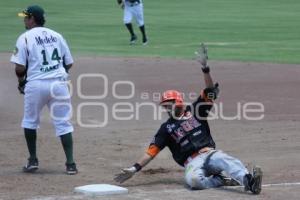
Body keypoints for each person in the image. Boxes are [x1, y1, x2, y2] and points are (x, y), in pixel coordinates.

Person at [114, 44, 263, 194]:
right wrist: (134, 168)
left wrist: (205, 68)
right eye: (164, 106)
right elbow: (151, 152)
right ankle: (220, 180)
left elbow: (210, 91)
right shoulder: (166, 128)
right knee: (194, 181)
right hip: (192, 162)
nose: (166, 108)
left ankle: (249, 181)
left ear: (178, 101)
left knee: (227, 161)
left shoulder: (196, 110)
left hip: (210, 154)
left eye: (168, 104)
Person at [10, 5, 78, 175]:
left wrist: (21, 82)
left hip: (36, 85)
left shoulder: (24, 38)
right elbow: (68, 62)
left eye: (26, 17)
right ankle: (70, 164)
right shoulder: (57, 35)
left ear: (32, 18)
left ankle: (33, 160)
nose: (24, 20)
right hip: (59, 85)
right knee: (63, 123)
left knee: (30, 121)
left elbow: (19, 67)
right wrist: (58, 74)